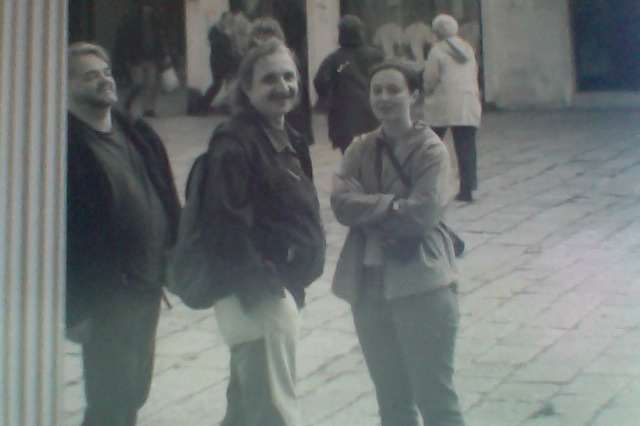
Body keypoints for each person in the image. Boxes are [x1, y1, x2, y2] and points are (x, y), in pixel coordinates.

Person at [331, 60, 466, 426]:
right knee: (391, 401)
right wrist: (392, 205)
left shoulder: (431, 150)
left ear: (415, 96)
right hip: (368, 285)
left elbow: (422, 215)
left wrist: (369, 204)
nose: (384, 98)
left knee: (435, 398)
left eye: (394, 90)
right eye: (377, 90)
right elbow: (339, 203)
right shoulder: (360, 147)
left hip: (422, 283)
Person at [200, 39, 325, 426]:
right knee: (273, 411)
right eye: (269, 79)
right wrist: (265, 291)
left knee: (245, 409)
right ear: (247, 87)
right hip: (257, 296)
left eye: (289, 76)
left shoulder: (290, 137)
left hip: (283, 289)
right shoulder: (233, 144)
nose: (283, 87)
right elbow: (224, 227)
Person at [66, 42, 181, 426]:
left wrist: (174, 255)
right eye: (90, 76)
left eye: (107, 72)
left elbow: (165, 195)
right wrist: (74, 309)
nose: (104, 80)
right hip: (106, 296)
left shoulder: (135, 132)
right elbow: (63, 239)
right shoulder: (66, 147)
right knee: (109, 400)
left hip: (147, 286)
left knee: (133, 390)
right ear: (66, 87)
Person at [423, 14, 481, 202]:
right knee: (466, 147)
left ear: (437, 31)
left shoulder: (437, 50)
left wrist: (425, 92)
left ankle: (430, 187)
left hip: (443, 104)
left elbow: (430, 79)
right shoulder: (468, 48)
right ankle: (467, 190)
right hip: (468, 102)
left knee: (432, 144)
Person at [314, 15, 383, 154]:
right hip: (372, 115)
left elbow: (319, 81)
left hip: (344, 119)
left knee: (349, 157)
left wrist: (330, 98)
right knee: (373, 155)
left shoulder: (333, 59)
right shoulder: (376, 55)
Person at [117, 0, 168, 117]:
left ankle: (148, 109)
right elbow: (126, 42)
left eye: (149, 7)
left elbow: (160, 40)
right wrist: (127, 58)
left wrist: (163, 55)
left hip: (151, 58)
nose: (147, 10)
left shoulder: (155, 23)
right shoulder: (132, 23)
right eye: (145, 7)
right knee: (138, 84)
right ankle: (128, 102)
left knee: (151, 84)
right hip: (137, 59)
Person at [199, 12, 240, 114]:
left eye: (230, 20)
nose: (228, 22)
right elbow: (215, 44)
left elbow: (231, 45)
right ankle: (203, 105)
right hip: (217, 61)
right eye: (227, 20)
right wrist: (226, 35)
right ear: (222, 19)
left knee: (230, 83)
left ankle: (230, 105)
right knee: (217, 84)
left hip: (227, 60)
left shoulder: (228, 30)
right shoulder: (214, 30)